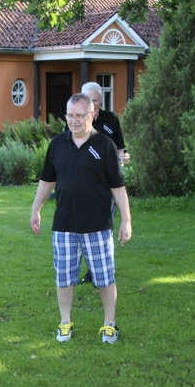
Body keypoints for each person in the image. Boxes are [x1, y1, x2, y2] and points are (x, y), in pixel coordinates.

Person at [29, 93, 132, 343]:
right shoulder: (58, 144)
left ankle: (110, 324)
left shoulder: (105, 145)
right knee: (64, 278)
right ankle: (65, 323)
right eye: (70, 116)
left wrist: (126, 220)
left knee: (105, 278)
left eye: (79, 115)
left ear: (92, 115)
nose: (74, 121)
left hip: (97, 226)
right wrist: (35, 209)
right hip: (64, 226)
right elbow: (47, 180)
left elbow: (118, 187)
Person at [79, 81, 130, 285]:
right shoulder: (77, 120)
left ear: (101, 100)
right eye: (89, 101)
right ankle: (91, 269)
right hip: (84, 184)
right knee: (84, 226)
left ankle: (103, 269)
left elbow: (120, 150)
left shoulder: (111, 119)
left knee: (104, 225)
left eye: (97, 102)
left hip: (107, 185)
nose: (94, 106)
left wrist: (123, 159)